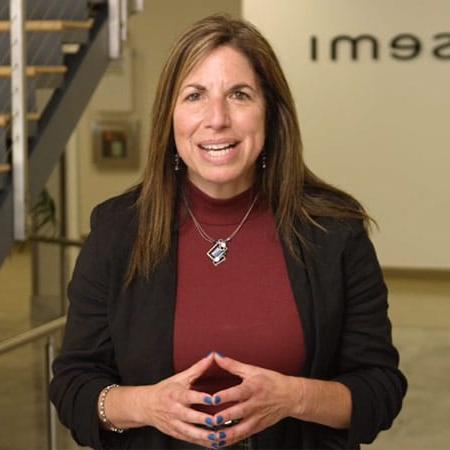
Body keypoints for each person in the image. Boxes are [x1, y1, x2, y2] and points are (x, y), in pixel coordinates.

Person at [49, 14, 407, 450]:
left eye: (239, 95)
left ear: (271, 114)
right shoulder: (117, 230)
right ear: (170, 117)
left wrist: (292, 397)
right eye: (195, 95)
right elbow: (73, 387)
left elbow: (380, 389)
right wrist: (147, 405)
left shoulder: (334, 231)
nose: (216, 119)